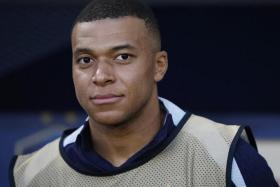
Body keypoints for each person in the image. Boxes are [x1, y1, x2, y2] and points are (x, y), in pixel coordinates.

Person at [9, 0, 278, 186]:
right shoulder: (33, 175)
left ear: (159, 66)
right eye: (85, 60)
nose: (101, 76)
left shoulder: (224, 158)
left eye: (123, 57)